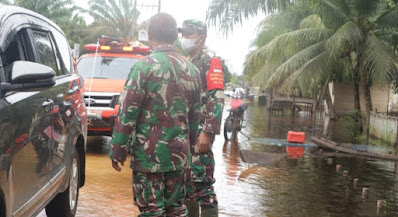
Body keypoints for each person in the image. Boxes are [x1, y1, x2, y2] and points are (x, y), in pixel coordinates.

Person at [109, 13, 202, 217]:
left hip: (148, 157)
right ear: (175, 36)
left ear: (149, 33)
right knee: (176, 209)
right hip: (180, 156)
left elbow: (127, 114)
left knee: (151, 210)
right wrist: (190, 148)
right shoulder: (193, 70)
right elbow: (195, 117)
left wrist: (118, 149)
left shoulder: (143, 67)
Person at [178, 19, 225, 217]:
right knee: (187, 186)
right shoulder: (188, 62)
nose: (184, 39)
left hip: (200, 134)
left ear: (201, 38)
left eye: (189, 35)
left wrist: (208, 132)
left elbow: (217, 97)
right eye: (183, 34)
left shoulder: (210, 61)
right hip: (187, 134)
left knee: (203, 186)